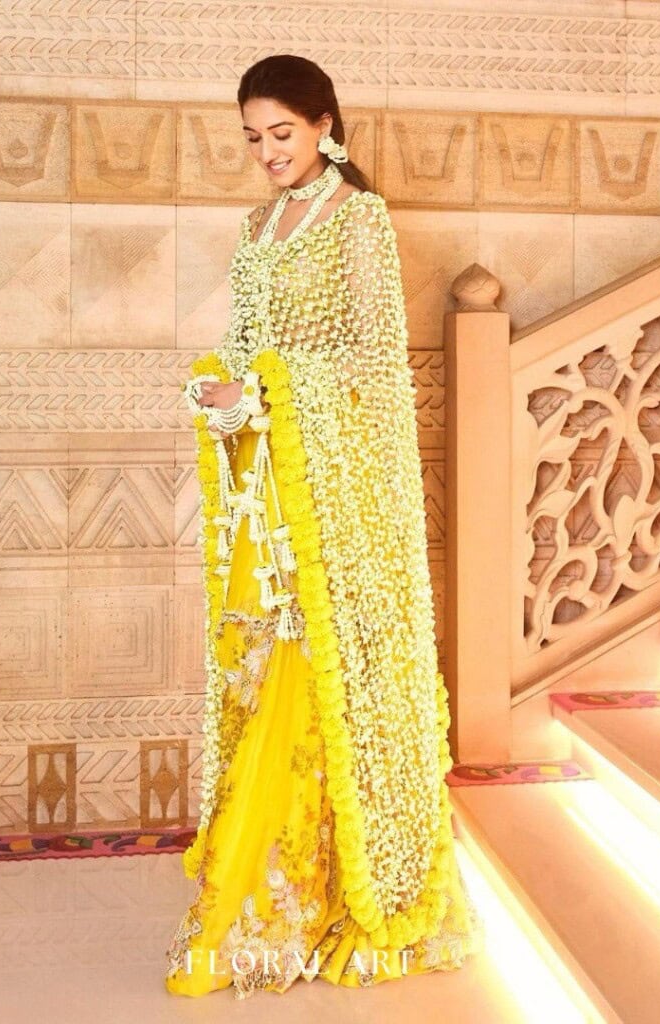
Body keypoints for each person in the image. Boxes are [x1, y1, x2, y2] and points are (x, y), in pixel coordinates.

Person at [165, 53, 484, 1000]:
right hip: (273, 485)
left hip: (341, 499)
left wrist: (267, 384)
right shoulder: (258, 227)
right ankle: (276, 893)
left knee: (327, 674)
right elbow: (253, 346)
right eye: (254, 137)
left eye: (283, 133)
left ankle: (343, 893)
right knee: (269, 669)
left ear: (324, 126)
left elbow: (375, 366)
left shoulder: (359, 222)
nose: (267, 153)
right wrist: (227, 393)